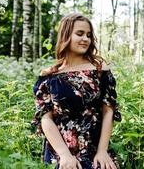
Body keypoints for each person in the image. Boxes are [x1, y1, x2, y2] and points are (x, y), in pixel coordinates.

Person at [31, 13, 122, 169]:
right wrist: (64, 155)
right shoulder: (49, 76)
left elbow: (108, 111)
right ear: (66, 36)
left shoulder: (100, 71)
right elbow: (46, 119)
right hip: (60, 150)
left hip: (94, 150)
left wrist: (102, 151)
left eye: (88, 35)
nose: (86, 39)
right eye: (79, 34)